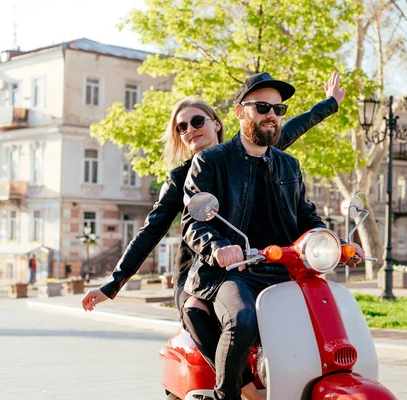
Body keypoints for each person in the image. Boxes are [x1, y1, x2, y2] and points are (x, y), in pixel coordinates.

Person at [81, 72, 346, 399]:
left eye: (196, 121)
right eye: (181, 127)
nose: (190, 129)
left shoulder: (262, 153)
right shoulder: (183, 176)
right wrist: (113, 283)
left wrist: (330, 103)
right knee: (200, 311)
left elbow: (291, 126)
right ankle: (243, 388)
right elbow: (152, 231)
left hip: (255, 263)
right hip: (200, 266)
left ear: (217, 122)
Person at [181, 72, 364, 400]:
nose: (272, 115)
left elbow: (307, 218)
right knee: (242, 318)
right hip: (233, 272)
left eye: (279, 110)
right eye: (263, 107)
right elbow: (192, 224)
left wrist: (335, 242)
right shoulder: (210, 162)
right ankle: (229, 396)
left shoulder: (288, 165)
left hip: (285, 270)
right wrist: (219, 247)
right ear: (240, 112)